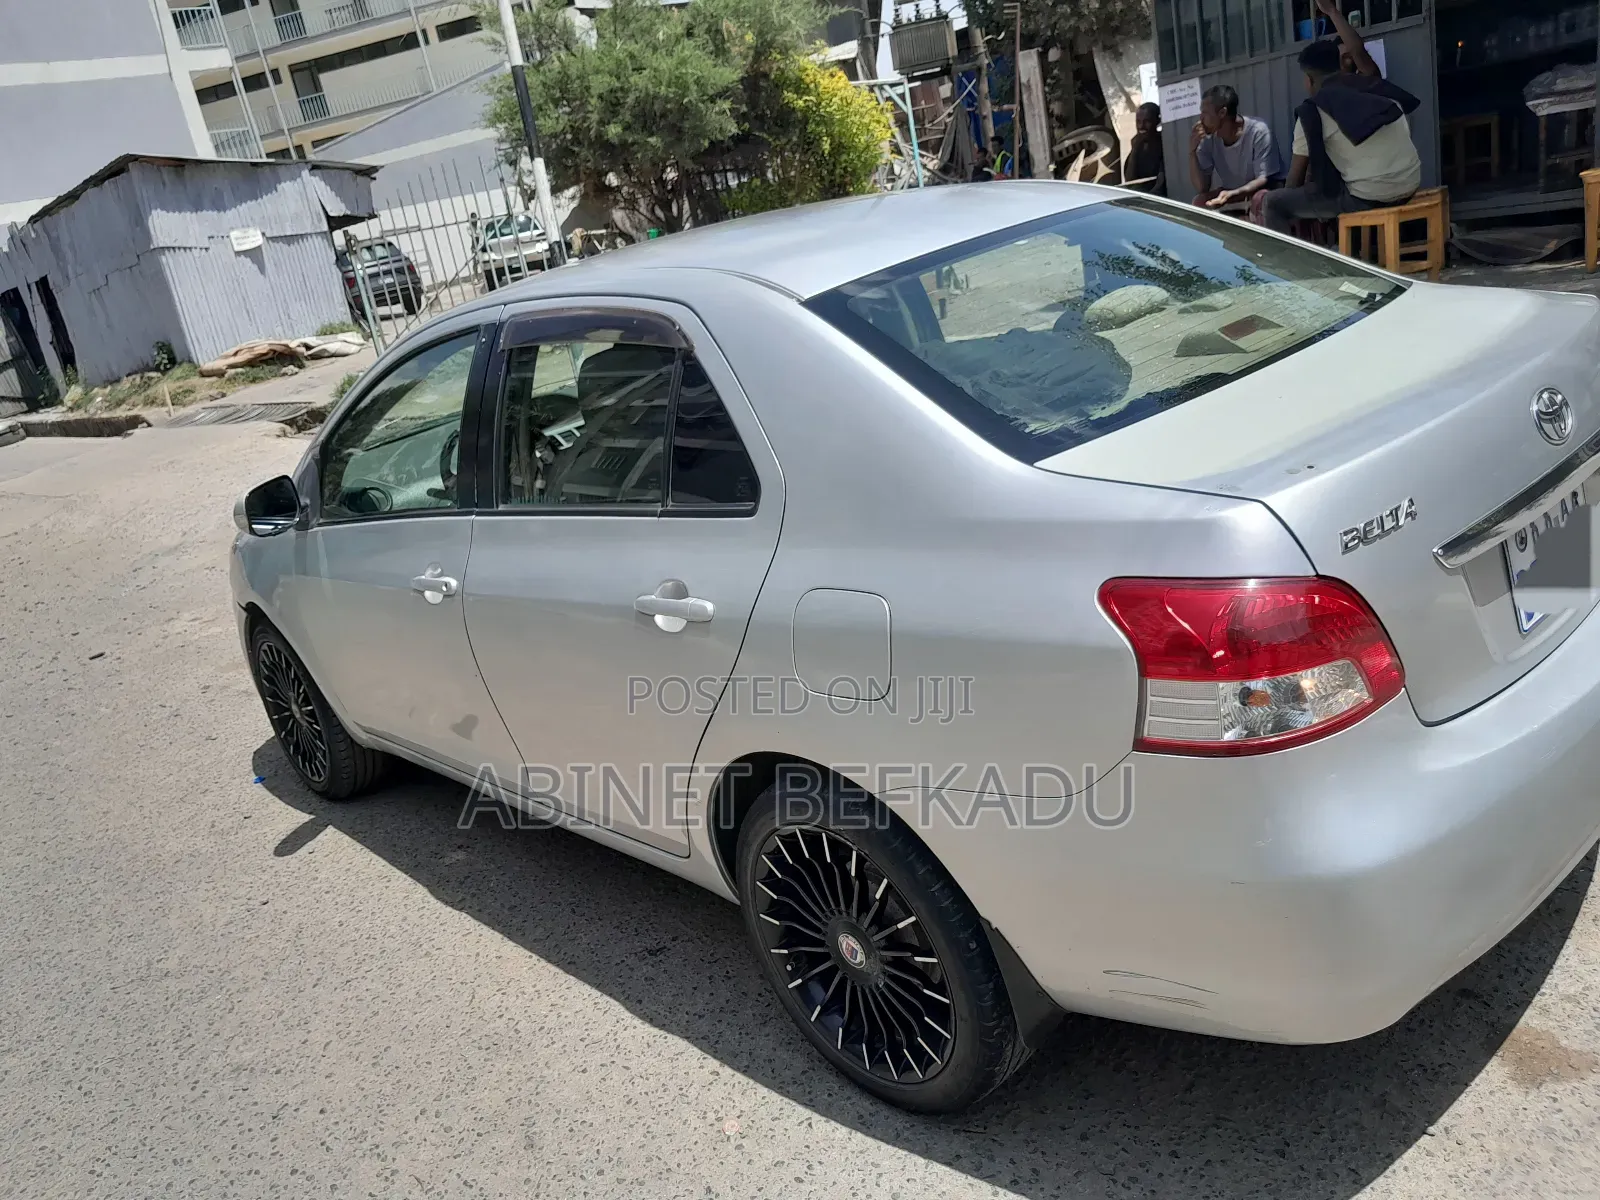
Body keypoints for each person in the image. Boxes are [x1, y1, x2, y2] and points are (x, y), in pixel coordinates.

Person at [1261, 0, 1421, 234]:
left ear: (1309, 79)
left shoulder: (1311, 111)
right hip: (1411, 183)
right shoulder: (1371, 83)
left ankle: (1286, 265)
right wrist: (1332, 12)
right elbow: (1359, 50)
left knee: (1273, 203)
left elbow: (1294, 180)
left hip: (1371, 197)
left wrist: (1292, 201)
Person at [1188, 85, 1280, 211]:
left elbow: (1263, 179)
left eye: (1205, 113)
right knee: (1199, 202)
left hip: (1259, 193)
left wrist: (1232, 195)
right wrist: (1192, 152)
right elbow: (1202, 188)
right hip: (1229, 194)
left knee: (1260, 200)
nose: (1201, 118)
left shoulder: (1258, 131)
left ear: (1222, 113)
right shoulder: (1208, 138)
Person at [1124, 102, 1167, 195]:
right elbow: (1129, 182)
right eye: (1138, 122)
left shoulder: (1163, 145)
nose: (1141, 126)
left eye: (1147, 121)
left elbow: (1160, 183)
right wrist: (1134, 150)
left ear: (1157, 121)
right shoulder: (1138, 145)